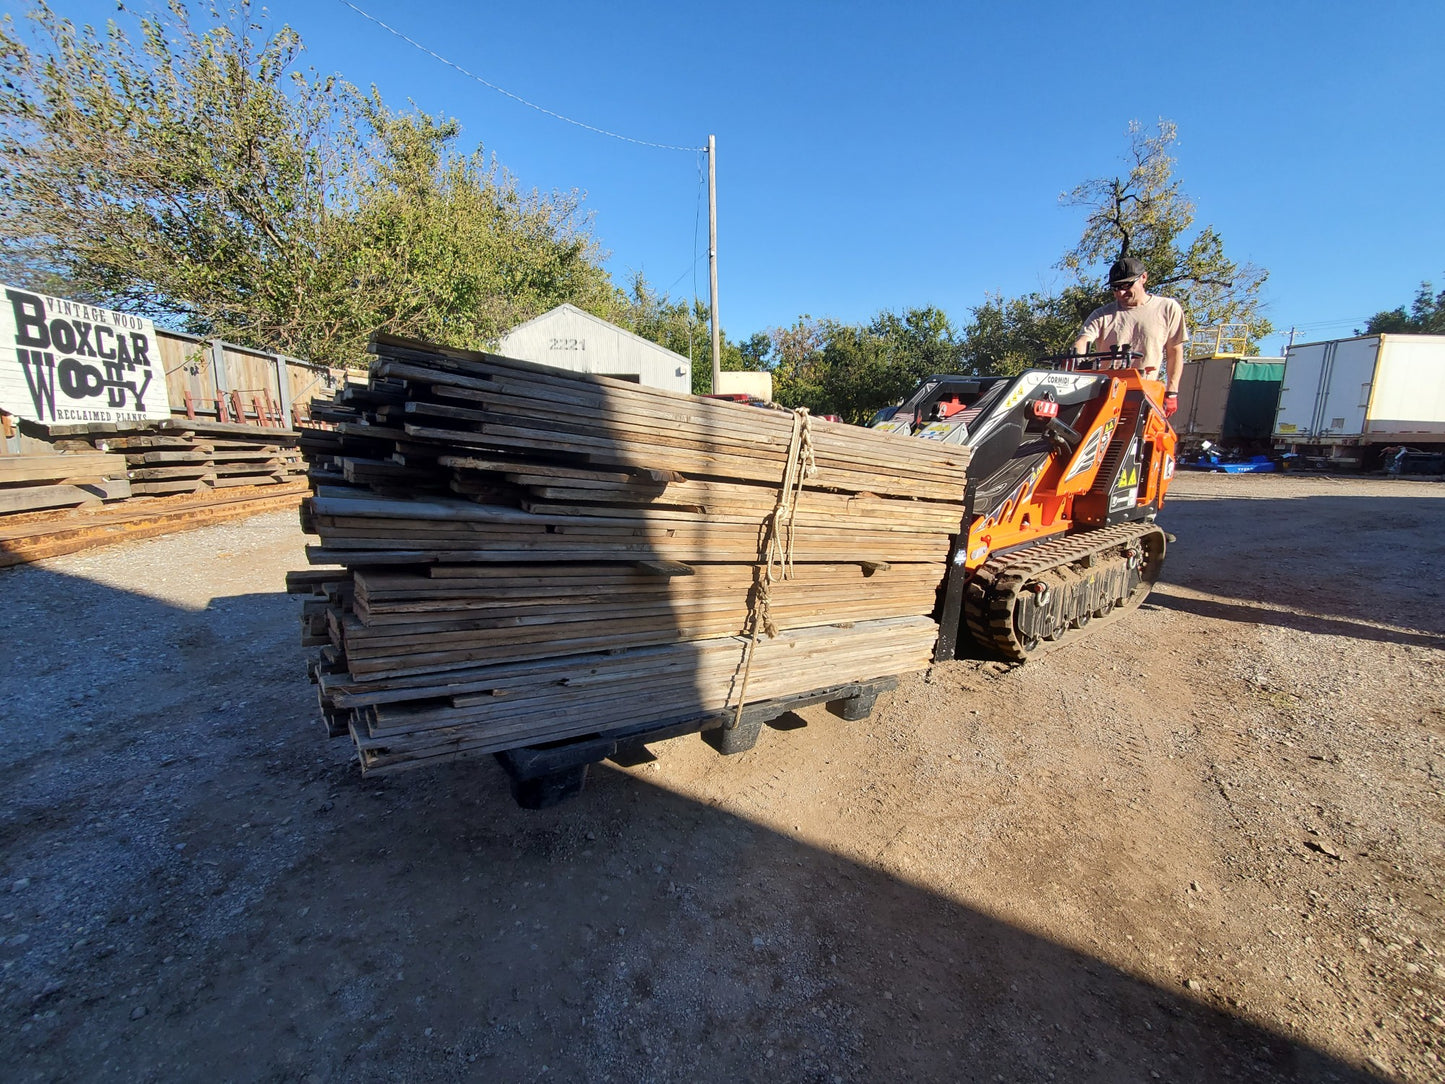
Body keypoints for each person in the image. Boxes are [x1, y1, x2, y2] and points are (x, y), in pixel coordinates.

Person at [1072, 256, 1187, 417]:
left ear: (1143, 278)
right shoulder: (1102, 314)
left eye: (1126, 285)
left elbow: (1175, 351)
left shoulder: (1167, 308)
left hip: (1146, 393)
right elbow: (1083, 340)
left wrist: (1172, 391)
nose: (1120, 292)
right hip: (1106, 393)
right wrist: (1076, 358)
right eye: (1115, 287)